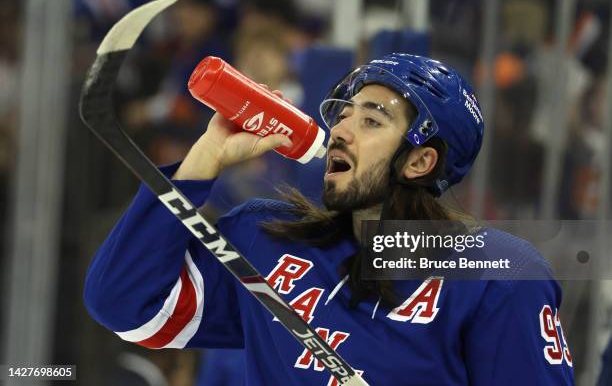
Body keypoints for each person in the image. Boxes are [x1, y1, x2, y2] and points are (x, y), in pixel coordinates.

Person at [84, 53, 574, 385]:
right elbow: (126, 305)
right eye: (344, 112)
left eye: (372, 120)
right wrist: (203, 160)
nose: (339, 129)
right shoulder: (267, 241)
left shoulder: (498, 276)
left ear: (420, 162)